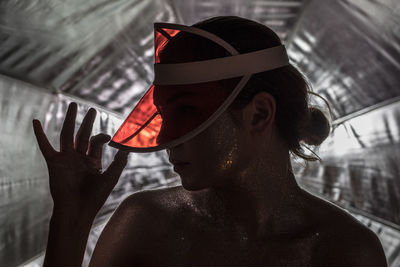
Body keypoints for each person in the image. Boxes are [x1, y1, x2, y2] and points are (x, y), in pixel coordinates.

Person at [32, 16, 387, 266]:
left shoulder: (346, 253)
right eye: (164, 115)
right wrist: (70, 222)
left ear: (260, 114)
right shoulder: (145, 224)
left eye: (187, 110)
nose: (168, 137)